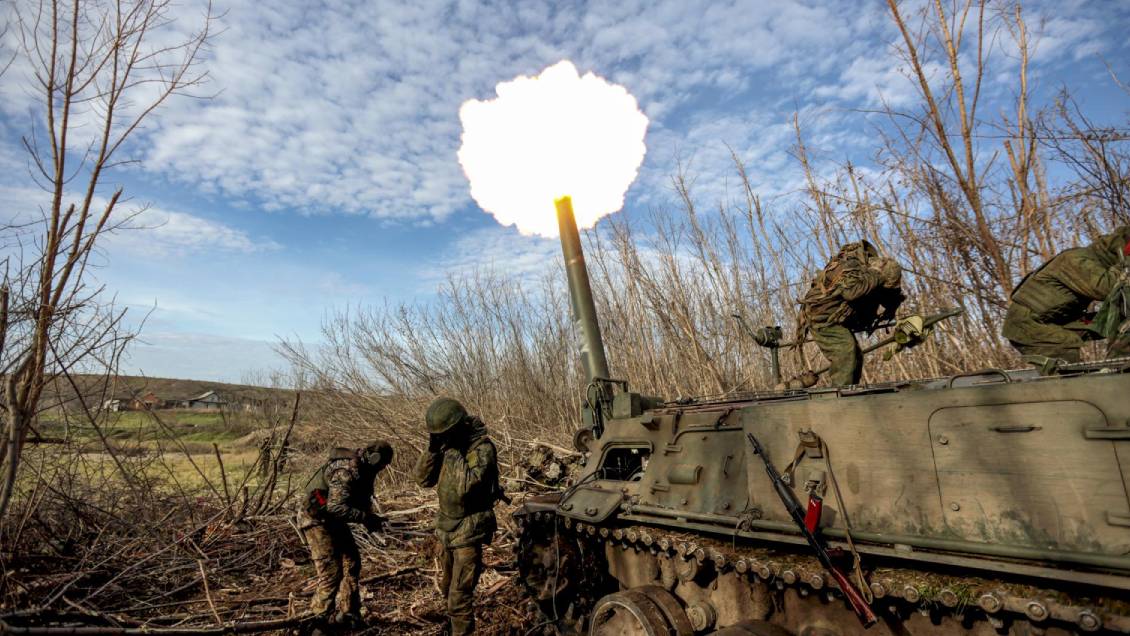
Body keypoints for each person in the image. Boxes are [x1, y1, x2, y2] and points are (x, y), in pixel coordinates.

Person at [414, 398, 502, 636]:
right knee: (447, 587)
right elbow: (423, 480)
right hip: (447, 528)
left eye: (445, 434)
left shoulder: (482, 449)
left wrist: (452, 451)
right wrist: (433, 449)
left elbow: (465, 488)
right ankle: (453, 627)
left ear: (459, 427)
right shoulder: (446, 446)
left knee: (459, 597)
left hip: (469, 529)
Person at [297, 441, 393, 627]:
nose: (384, 468)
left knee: (352, 562)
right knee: (331, 573)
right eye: (383, 464)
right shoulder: (346, 471)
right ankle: (318, 622)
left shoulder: (365, 471)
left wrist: (373, 522)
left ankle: (349, 613)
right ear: (375, 459)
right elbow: (336, 507)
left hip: (332, 518)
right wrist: (365, 518)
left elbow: (361, 501)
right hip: (315, 519)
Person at [1003, 225, 1130, 363]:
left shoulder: (1099, 263)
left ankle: (1121, 369)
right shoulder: (1075, 260)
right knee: (1066, 366)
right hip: (1029, 326)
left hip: (1060, 320)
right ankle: (1116, 376)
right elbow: (1108, 289)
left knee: (1123, 321)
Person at [798, 240, 905, 386]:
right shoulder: (852, 266)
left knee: (856, 356)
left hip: (836, 318)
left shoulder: (870, 274)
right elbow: (851, 293)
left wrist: (895, 304)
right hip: (821, 318)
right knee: (846, 350)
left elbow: (887, 295)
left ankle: (850, 392)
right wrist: (877, 276)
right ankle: (841, 398)